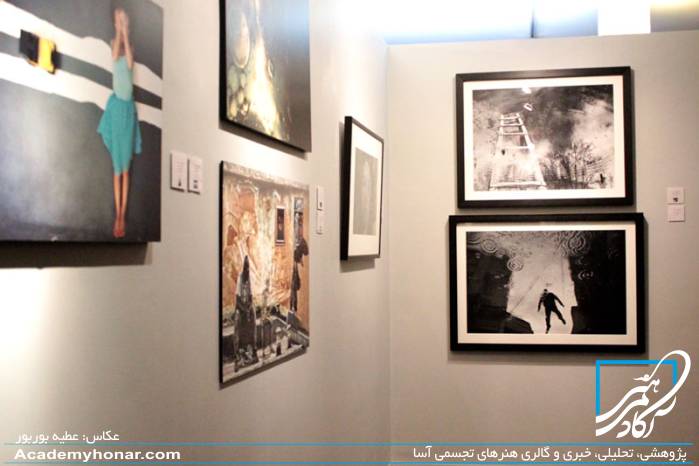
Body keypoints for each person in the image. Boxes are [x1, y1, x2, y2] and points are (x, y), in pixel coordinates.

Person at [98, 8, 142, 238]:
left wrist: (125, 32)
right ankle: (118, 215)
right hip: (116, 111)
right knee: (117, 169)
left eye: (123, 19)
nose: (120, 22)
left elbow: (130, 64)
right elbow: (115, 56)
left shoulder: (130, 46)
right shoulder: (114, 43)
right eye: (118, 20)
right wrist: (119, 33)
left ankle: (123, 213)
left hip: (127, 112)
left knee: (126, 170)